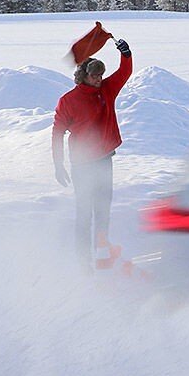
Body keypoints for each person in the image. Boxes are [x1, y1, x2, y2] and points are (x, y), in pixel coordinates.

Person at [51, 37, 132, 269]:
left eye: (100, 76)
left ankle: (102, 255)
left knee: (103, 211)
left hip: (105, 161)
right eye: (94, 76)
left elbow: (124, 73)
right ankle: (83, 261)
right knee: (84, 213)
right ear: (83, 76)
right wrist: (58, 164)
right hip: (82, 165)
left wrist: (126, 54)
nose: (99, 80)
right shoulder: (68, 101)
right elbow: (57, 133)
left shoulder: (107, 90)